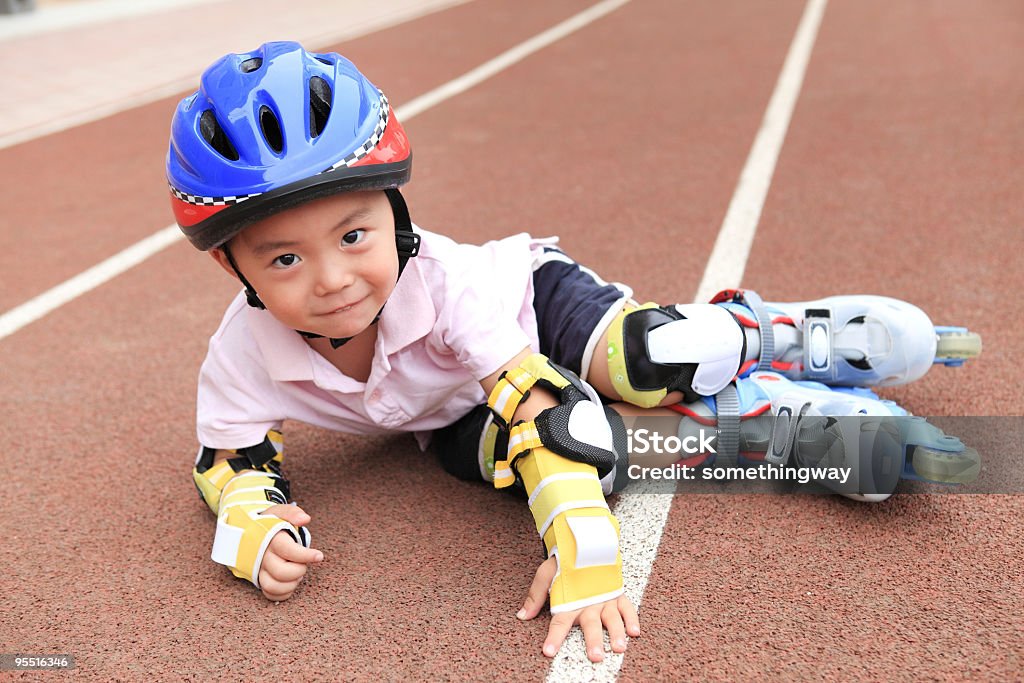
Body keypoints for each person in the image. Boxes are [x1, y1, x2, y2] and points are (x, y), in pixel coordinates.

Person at [167, 42, 982, 663]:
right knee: (603, 448)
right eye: (284, 259)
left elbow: (538, 403)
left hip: (531, 302)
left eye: (354, 234)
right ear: (227, 262)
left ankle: (785, 336)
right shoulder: (241, 353)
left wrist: (585, 554)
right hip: (450, 411)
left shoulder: (447, 281)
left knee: (643, 360)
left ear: (395, 207)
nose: (335, 279)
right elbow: (230, 463)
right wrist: (253, 530)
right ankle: (781, 423)